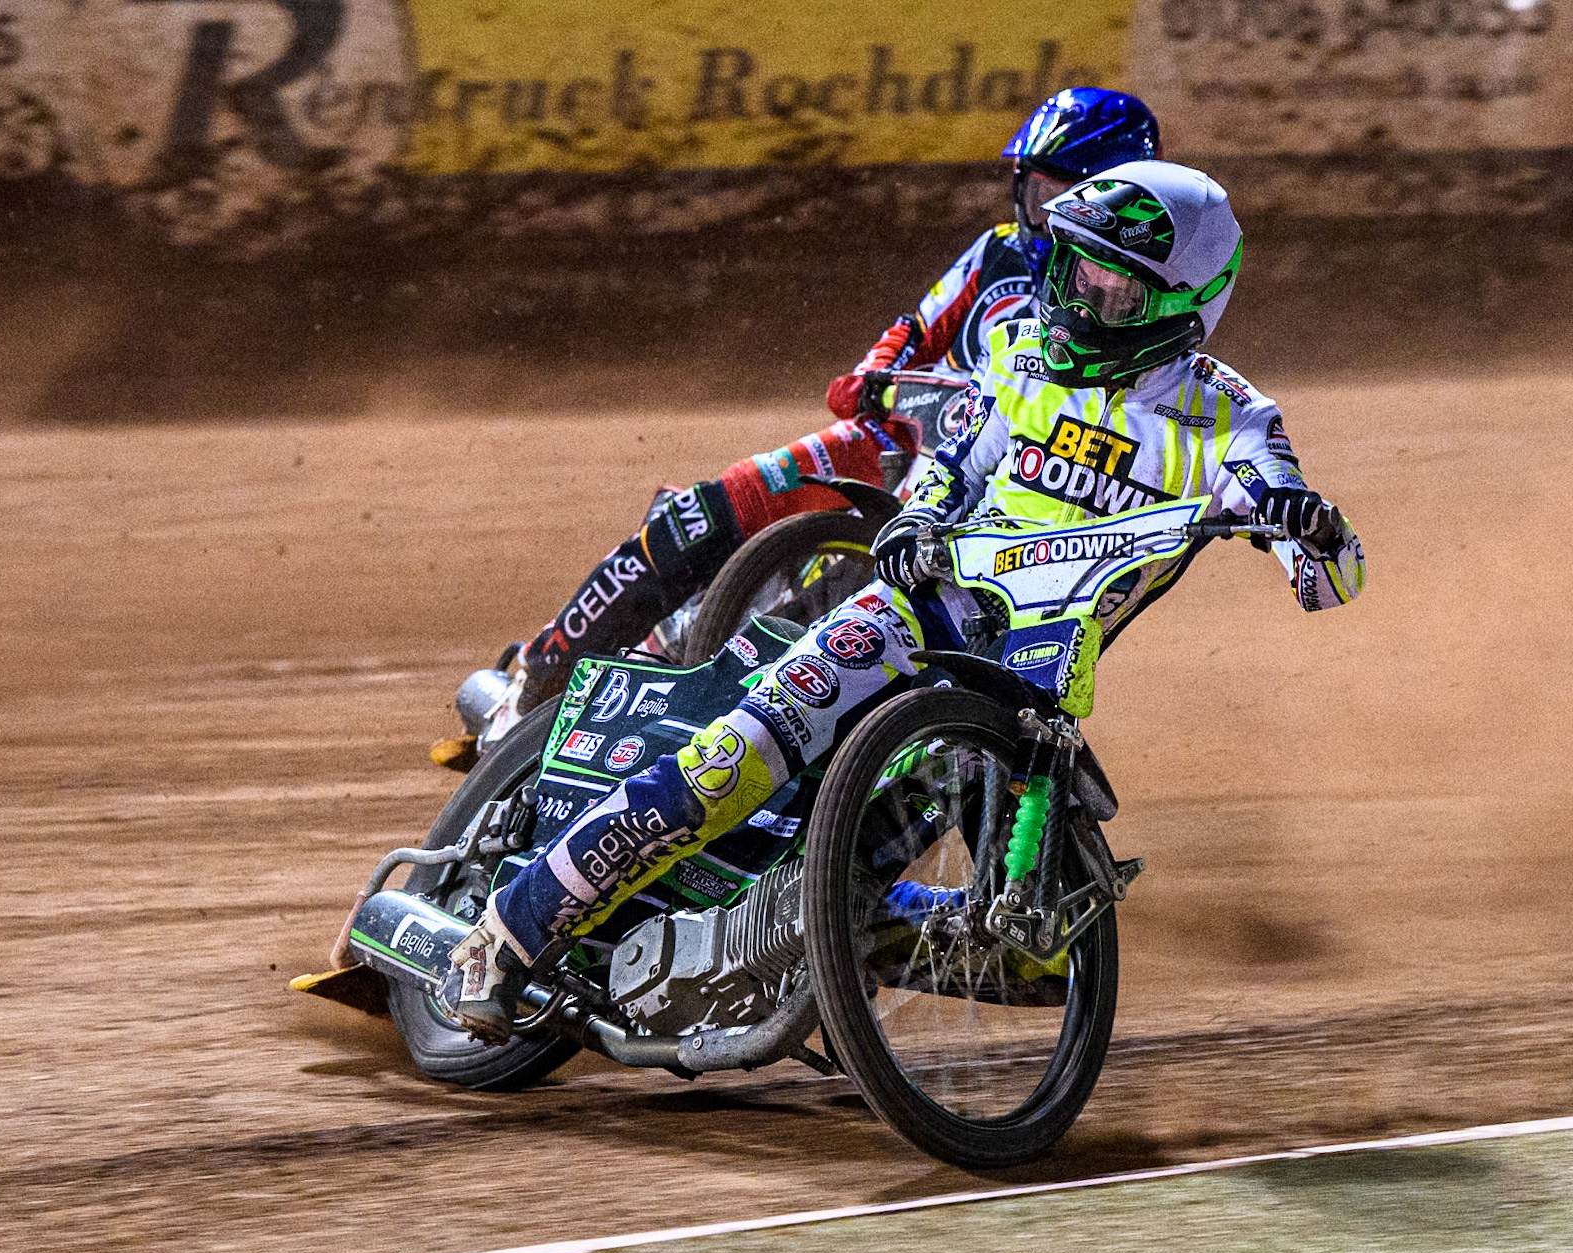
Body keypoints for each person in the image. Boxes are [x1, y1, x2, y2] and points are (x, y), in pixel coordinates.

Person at [444, 159, 1367, 1041]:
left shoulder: (1235, 417)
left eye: (1112, 285)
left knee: (1040, 951)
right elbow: (946, 469)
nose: (1081, 295)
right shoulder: (1024, 361)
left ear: (1179, 306)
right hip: (909, 614)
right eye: (1075, 267)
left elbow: (1332, 579)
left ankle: (794, 968)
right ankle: (503, 940)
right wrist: (916, 521)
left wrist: (1312, 530)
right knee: (730, 762)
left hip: (1023, 688)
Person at [453, 88, 1164, 756]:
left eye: (1063, 197)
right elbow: (892, 349)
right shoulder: (995, 252)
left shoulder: (1146, 307)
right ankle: (536, 678)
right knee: (706, 511)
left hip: (1002, 502)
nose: (1043, 216)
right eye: (1037, 193)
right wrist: (876, 382)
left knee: (865, 644)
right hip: (904, 446)